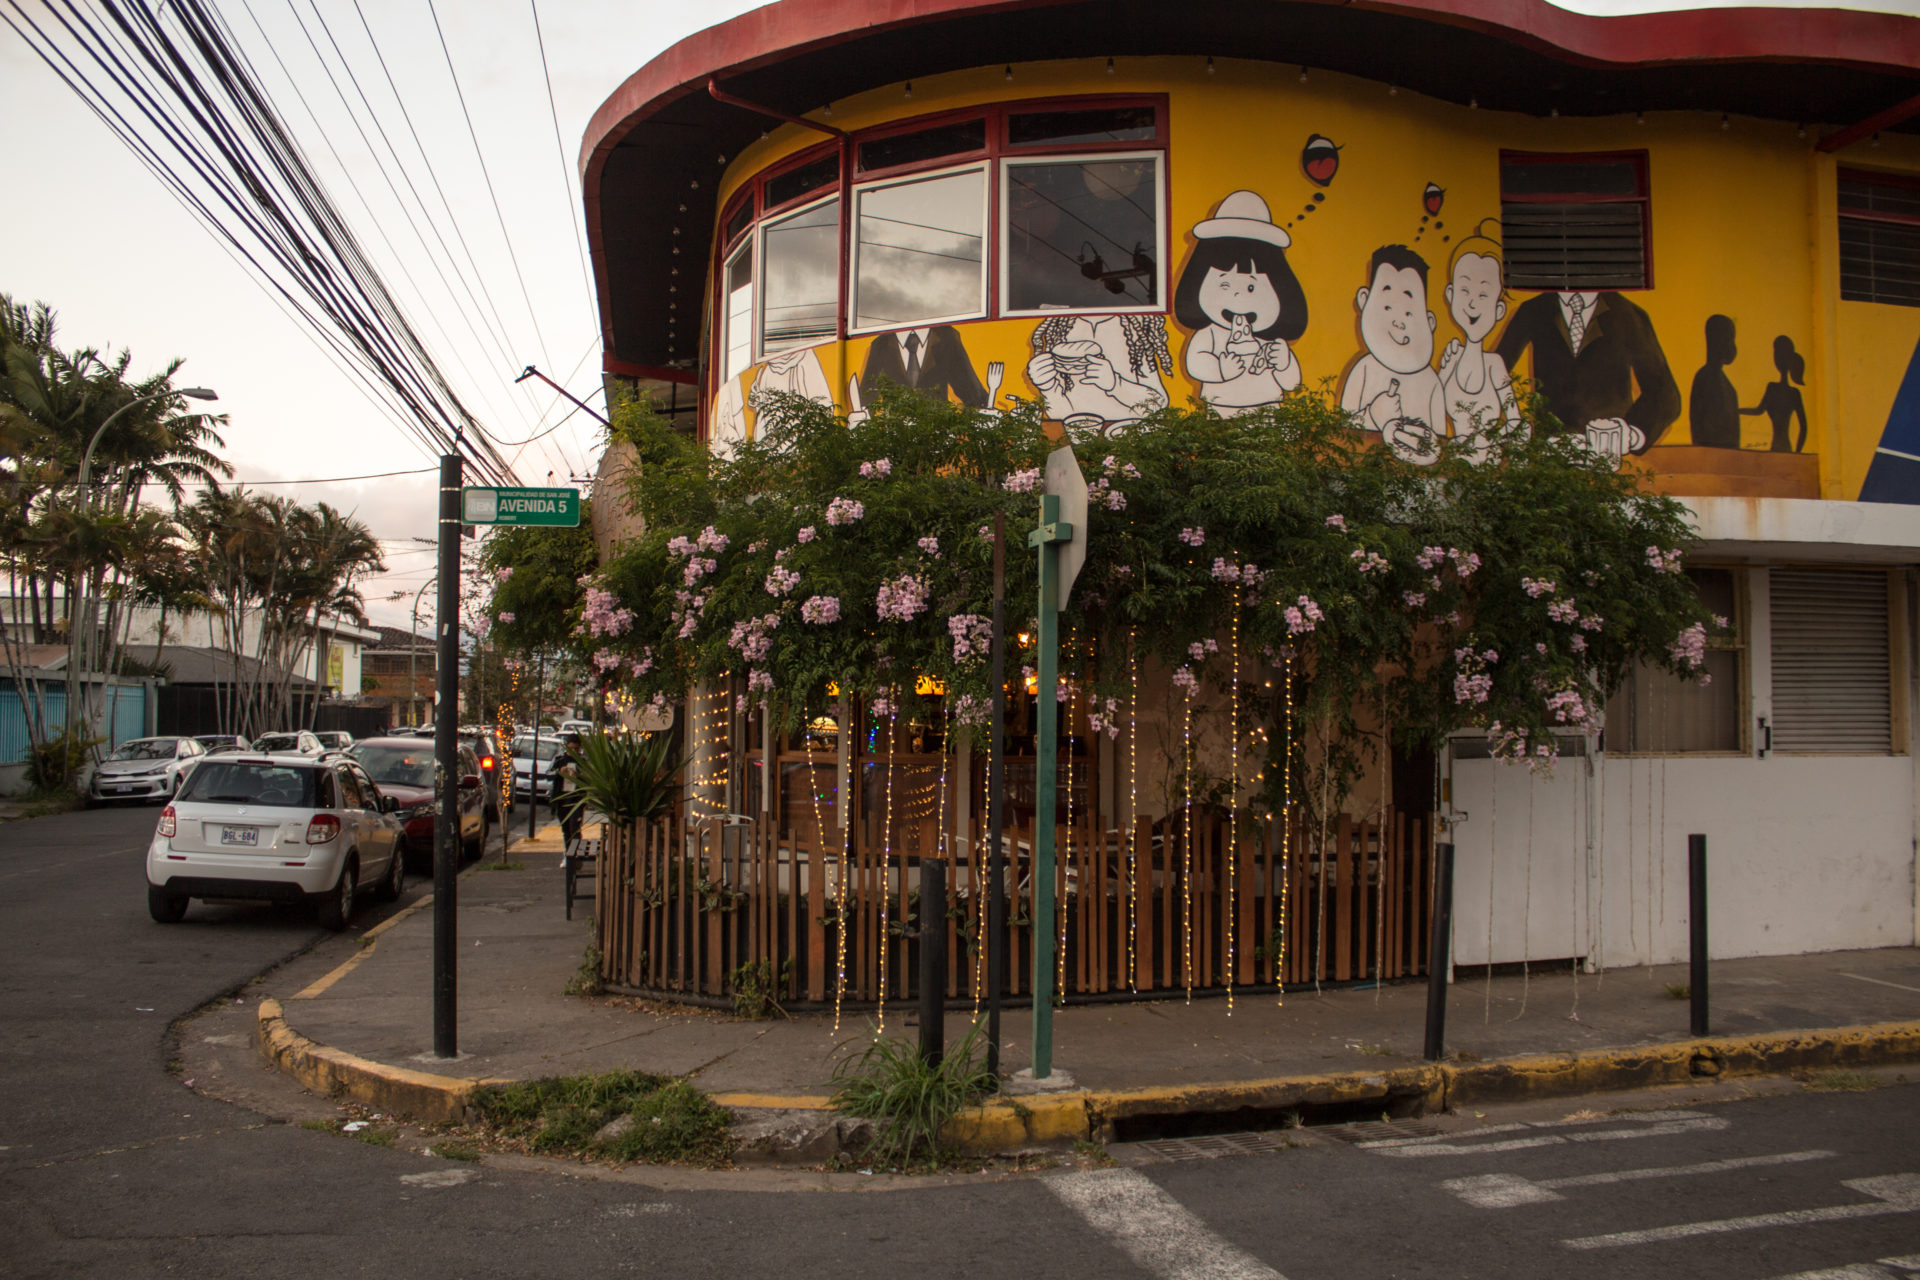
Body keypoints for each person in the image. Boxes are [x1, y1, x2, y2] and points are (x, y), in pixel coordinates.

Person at [1341, 244, 1448, 464]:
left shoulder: (1431, 383)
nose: (1398, 322)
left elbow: (1439, 443)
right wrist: (1372, 416)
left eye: (1409, 312)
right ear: (1364, 300)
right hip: (1364, 474)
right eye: (1387, 308)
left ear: (1429, 322)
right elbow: (1343, 436)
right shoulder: (1363, 369)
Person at [551, 733, 586, 848]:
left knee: (574, 828)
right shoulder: (560, 760)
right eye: (571, 749)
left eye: (576, 749)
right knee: (566, 829)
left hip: (576, 800)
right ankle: (568, 854)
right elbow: (551, 774)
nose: (574, 752)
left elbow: (588, 780)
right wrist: (561, 772)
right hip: (563, 799)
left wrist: (580, 776)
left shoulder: (582, 762)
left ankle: (574, 855)